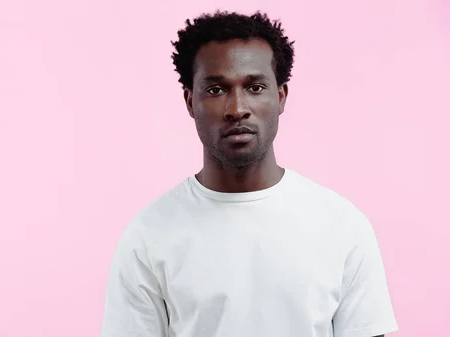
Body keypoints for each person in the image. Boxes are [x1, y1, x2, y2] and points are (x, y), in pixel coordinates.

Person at [100, 10, 398, 337]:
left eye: (255, 87)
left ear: (281, 96)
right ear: (189, 101)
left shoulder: (342, 225)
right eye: (216, 90)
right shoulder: (147, 236)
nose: (237, 108)